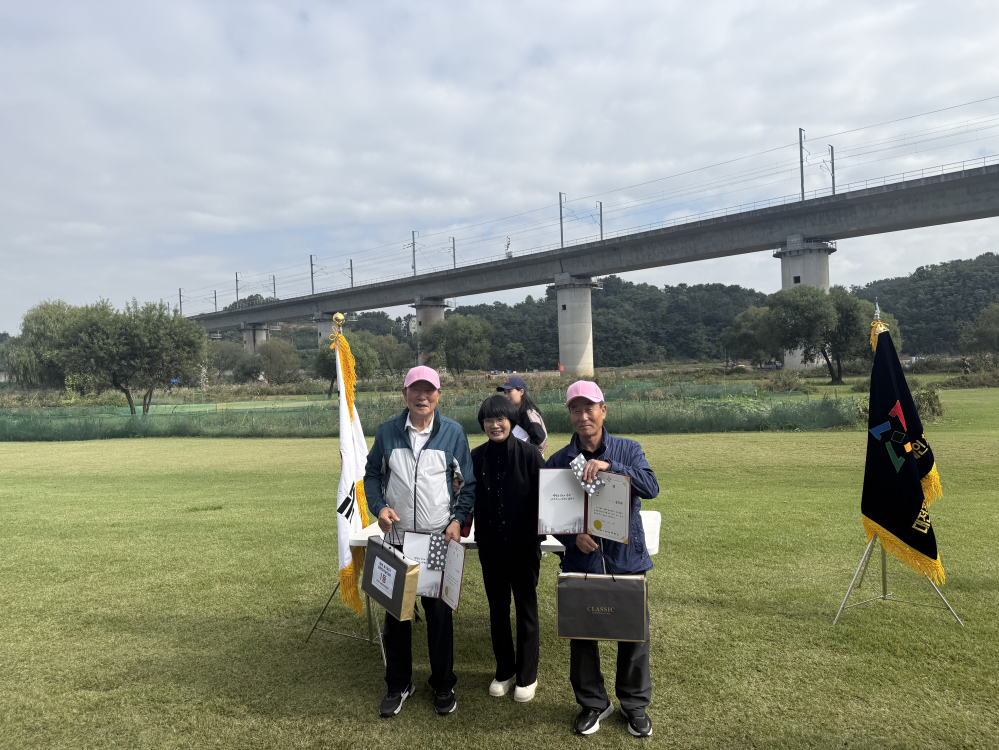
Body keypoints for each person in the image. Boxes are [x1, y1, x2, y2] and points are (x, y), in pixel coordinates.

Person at [546, 380, 659, 738]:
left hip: (626, 560)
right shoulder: (559, 461)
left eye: (589, 408)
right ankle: (593, 704)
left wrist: (613, 467)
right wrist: (571, 537)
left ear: (603, 410)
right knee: (582, 636)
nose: (583, 416)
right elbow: (549, 516)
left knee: (633, 636)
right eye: (575, 410)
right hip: (582, 563)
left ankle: (634, 705)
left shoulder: (628, 449)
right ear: (570, 415)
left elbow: (651, 487)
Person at [364, 365, 476, 719]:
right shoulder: (387, 431)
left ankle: (443, 685)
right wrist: (379, 508)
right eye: (416, 389)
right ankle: (399, 684)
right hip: (397, 540)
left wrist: (457, 520)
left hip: (435, 540)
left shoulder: (453, 432)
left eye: (429, 390)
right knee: (397, 616)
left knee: (439, 616)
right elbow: (372, 474)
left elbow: (467, 483)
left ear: (438, 395)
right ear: (405, 393)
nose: (422, 396)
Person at [470, 395, 544, 703]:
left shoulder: (530, 455)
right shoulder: (476, 456)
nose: (495, 425)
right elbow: (468, 494)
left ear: (511, 421)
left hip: (524, 547)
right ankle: (505, 671)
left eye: (500, 419)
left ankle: (528, 675)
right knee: (497, 610)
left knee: (526, 609)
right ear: (482, 424)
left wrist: (537, 538)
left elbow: (546, 500)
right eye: (488, 420)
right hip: (491, 547)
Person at [497, 375, 548, 453]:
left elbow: (539, 441)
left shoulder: (529, 413)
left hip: (529, 458)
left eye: (509, 391)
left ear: (521, 392)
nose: (506, 396)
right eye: (505, 392)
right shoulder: (511, 413)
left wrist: (523, 452)